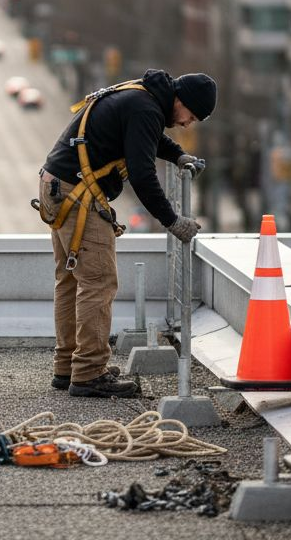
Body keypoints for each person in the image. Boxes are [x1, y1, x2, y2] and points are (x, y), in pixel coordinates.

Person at [34, 70, 215, 397]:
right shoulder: (146, 108)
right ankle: (88, 373)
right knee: (99, 281)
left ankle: (68, 367)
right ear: (181, 101)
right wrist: (172, 220)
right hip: (79, 194)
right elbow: (143, 174)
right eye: (192, 115)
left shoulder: (140, 96)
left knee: (71, 279)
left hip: (57, 187)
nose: (189, 123)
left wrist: (177, 155)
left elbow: (146, 138)